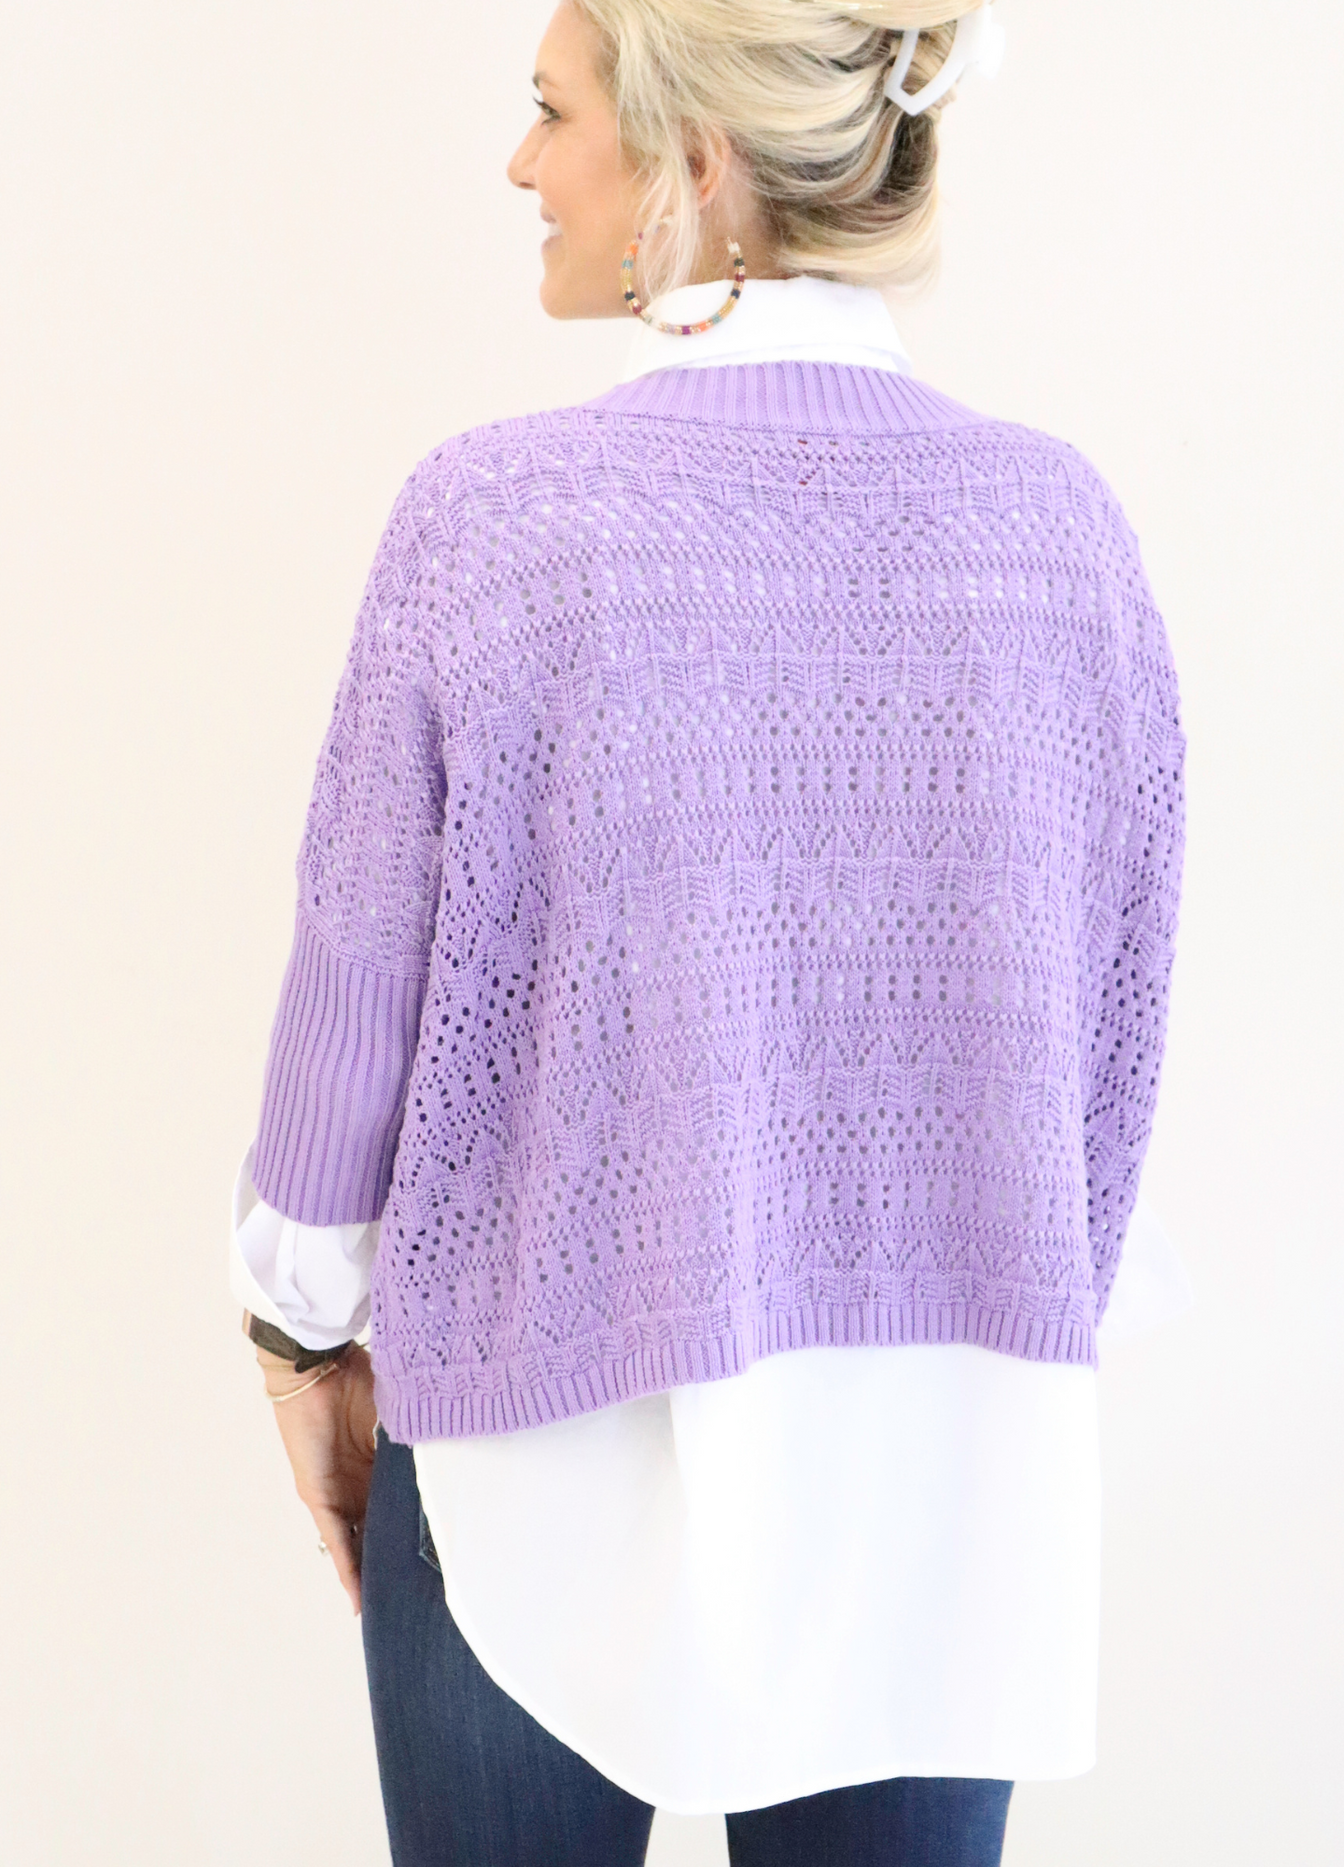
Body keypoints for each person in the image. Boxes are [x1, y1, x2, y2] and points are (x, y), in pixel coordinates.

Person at [231, 3, 1187, 1863]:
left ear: (698, 156)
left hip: (530, 1432)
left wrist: (299, 1335)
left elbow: (359, 985)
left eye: (552, 112)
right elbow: (1118, 1028)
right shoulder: (1064, 535)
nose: (522, 164)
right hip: (936, 1477)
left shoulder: (491, 521)